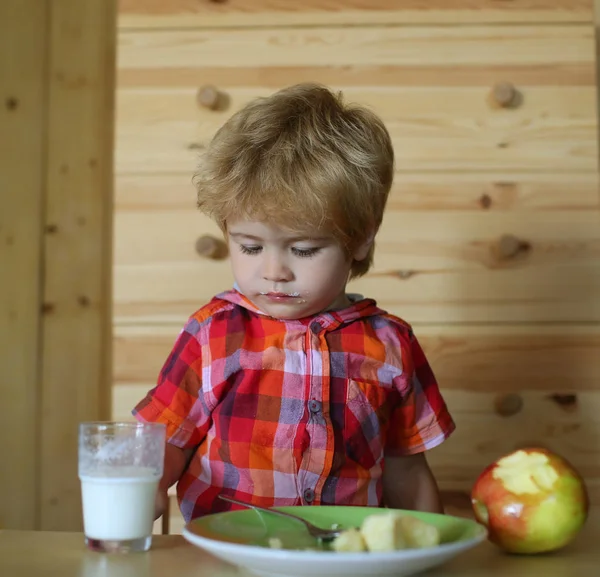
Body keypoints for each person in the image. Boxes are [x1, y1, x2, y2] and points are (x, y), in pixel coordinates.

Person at [132, 83, 456, 524]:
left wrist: (429, 547)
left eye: (302, 250)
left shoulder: (391, 345)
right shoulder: (214, 333)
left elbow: (407, 468)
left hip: (345, 560)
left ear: (361, 238)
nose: (273, 271)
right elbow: (168, 437)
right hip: (224, 554)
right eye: (249, 247)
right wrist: (145, 489)